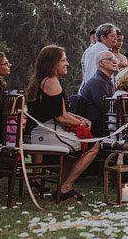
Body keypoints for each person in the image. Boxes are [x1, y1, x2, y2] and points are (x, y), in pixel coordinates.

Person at [25, 45, 99, 201]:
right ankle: (65, 187)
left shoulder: (42, 80)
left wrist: (80, 119)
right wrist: (81, 124)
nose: (67, 64)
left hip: (40, 131)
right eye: (63, 60)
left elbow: (59, 111)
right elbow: (61, 117)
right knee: (93, 146)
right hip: (47, 132)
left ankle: (60, 186)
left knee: (77, 148)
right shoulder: (51, 82)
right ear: (53, 63)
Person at [79, 50, 119, 137]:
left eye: (115, 59)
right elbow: (107, 108)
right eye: (111, 59)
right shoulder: (97, 82)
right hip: (97, 132)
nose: (115, 61)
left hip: (105, 127)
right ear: (101, 63)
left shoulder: (106, 81)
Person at [80, 23, 119, 90]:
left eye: (116, 35)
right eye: (112, 36)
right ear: (103, 38)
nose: (116, 38)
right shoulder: (95, 52)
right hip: (95, 94)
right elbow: (91, 76)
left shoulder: (105, 51)